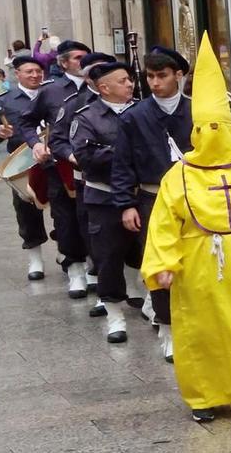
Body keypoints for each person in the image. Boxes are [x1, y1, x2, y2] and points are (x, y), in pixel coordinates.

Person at [140, 37, 231, 422]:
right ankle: (204, 398)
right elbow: (164, 222)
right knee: (201, 334)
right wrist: (163, 263)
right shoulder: (180, 174)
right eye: (203, 127)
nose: (211, 134)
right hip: (197, 266)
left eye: (217, 126)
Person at [116, 47, 193, 360]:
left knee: (195, 262)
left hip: (196, 197)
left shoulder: (198, 109)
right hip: (152, 196)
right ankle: (168, 327)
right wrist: (126, 203)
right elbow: (121, 163)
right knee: (161, 263)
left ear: (178, 75)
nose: (155, 82)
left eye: (162, 75)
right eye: (150, 76)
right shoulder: (134, 116)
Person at [69, 58, 143, 344]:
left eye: (129, 80)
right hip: (105, 197)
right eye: (123, 81)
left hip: (143, 194)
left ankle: (151, 303)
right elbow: (87, 158)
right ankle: (114, 315)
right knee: (109, 257)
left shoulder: (141, 111)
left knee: (149, 250)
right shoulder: (87, 117)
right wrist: (126, 152)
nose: (130, 85)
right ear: (104, 87)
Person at [39, 40, 96, 296]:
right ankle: (74, 269)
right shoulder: (50, 91)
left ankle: (95, 268)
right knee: (65, 217)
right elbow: (29, 121)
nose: (83, 62)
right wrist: (34, 144)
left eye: (87, 57)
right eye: (77, 58)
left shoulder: (99, 87)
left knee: (90, 218)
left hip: (94, 165)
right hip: (61, 164)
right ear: (63, 63)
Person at [0, 52, 51, 280]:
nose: (35, 75)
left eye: (38, 71)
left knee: (65, 209)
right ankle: (35, 259)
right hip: (24, 164)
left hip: (55, 159)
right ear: (17, 75)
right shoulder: (5, 101)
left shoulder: (53, 93)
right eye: (29, 72)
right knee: (27, 211)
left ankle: (69, 253)